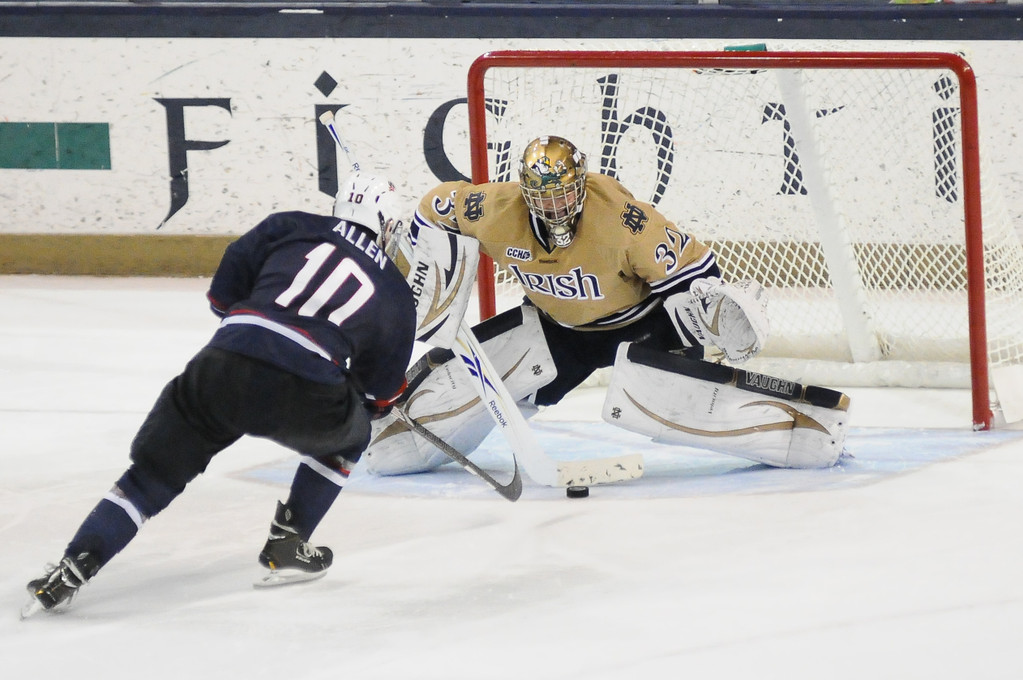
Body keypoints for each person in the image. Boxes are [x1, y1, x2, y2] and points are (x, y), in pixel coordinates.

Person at [23, 174, 417, 617]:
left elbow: (222, 297)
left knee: (152, 475)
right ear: (386, 226)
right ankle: (288, 542)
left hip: (224, 361)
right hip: (305, 390)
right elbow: (379, 395)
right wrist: (355, 392)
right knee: (352, 435)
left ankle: (73, 566)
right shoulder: (396, 292)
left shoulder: (289, 225)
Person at [363, 135, 848, 478]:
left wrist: (712, 314)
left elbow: (697, 270)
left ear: (583, 182)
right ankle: (408, 433)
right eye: (542, 197)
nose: (554, 207)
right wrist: (415, 258)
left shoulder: (621, 219)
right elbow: (435, 207)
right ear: (524, 191)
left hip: (642, 325)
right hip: (557, 331)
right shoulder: (495, 210)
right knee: (400, 446)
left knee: (658, 400)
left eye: (565, 194)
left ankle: (804, 429)